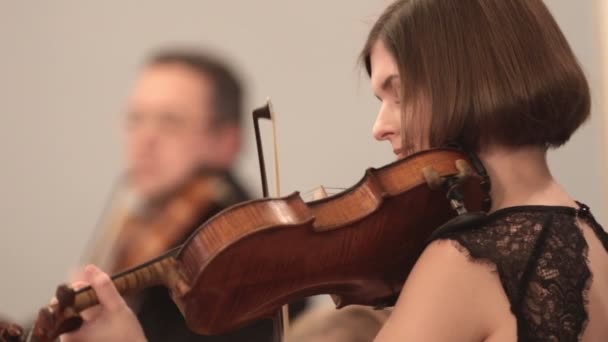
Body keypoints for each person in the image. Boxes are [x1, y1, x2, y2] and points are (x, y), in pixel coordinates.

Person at [60, 0, 607, 341]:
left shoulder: (468, 260)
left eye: (398, 95)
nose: (381, 126)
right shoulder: (590, 239)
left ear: (463, 80)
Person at [79, 48, 278, 342]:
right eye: (136, 118)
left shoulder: (249, 254)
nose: (145, 139)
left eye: (170, 121)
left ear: (226, 141)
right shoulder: (147, 222)